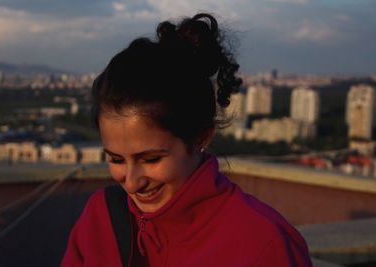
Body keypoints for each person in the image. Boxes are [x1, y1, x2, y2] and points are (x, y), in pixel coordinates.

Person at [62, 13, 313, 267]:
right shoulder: (102, 218)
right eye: (116, 159)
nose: (131, 182)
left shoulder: (263, 244)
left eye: (150, 159)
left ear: (200, 137)